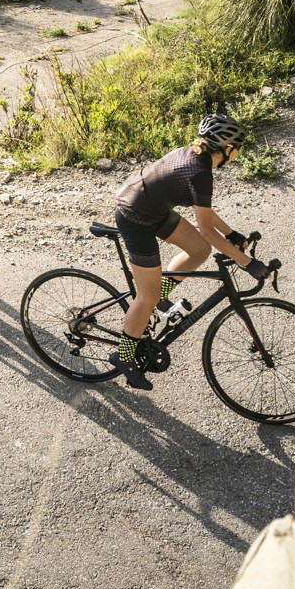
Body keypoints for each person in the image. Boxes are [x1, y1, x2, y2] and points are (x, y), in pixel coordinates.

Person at [112, 112, 269, 389]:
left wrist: (231, 234)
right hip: (135, 215)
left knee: (198, 250)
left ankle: (155, 302)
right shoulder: (200, 173)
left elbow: (204, 216)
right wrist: (246, 262)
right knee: (145, 297)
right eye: (238, 150)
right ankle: (124, 357)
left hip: (153, 208)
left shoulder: (198, 160)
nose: (238, 155)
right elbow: (207, 229)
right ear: (227, 148)